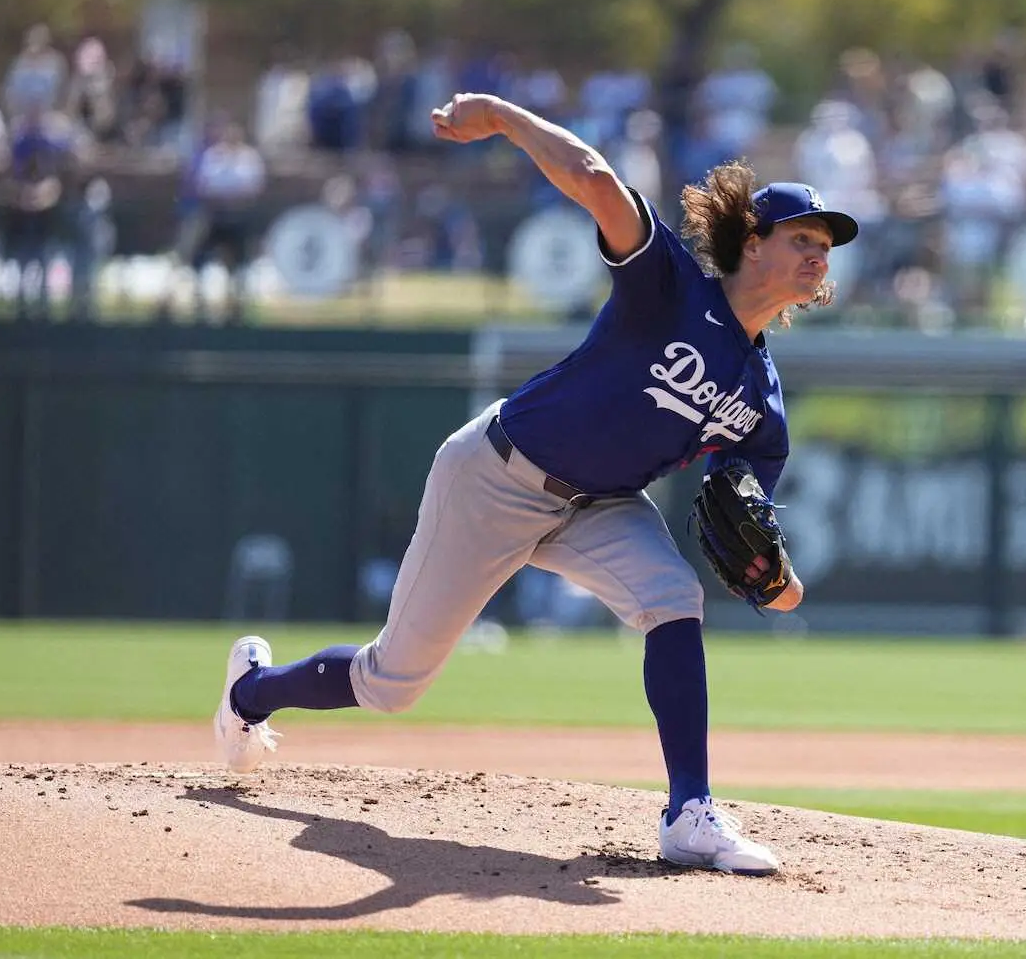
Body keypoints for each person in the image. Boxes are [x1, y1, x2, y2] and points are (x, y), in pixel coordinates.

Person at [214, 92, 858, 877]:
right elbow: (592, 176)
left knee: (673, 598)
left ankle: (690, 813)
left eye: (827, 244)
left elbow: (750, 523)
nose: (820, 254)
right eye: (803, 237)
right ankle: (252, 692)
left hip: (600, 507)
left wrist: (780, 587)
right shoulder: (669, 286)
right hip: (494, 476)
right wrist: (504, 117)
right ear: (751, 243)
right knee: (392, 685)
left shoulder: (762, 403)